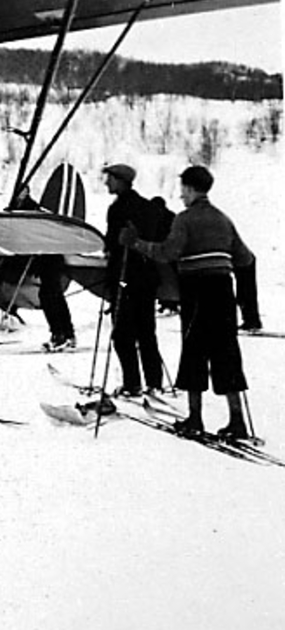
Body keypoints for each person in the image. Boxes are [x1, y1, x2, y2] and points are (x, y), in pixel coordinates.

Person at [120, 165, 254, 439]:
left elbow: (168, 252)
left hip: (196, 291)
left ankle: (194, 419)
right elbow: (245, 258)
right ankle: (237, 421)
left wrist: (136, 243)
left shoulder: (185, 219)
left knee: (195, 350)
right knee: (226, 352)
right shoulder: (223, 219)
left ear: (191, 189)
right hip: (223, 291)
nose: (181, 195)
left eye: (183, 189)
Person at [102, 163, 164, 395]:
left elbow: (112, 244)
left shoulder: (118, 209)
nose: (107, 183)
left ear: (120, 181)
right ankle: (154, 382)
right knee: (146, 331)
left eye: (110, 179)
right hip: (147, 277)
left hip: (125, 278)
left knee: (122, 333)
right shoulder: (148, 207)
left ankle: (132, 383)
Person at [12, 185, 76, 351]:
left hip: (50, 259)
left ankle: (62, 334)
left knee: (51, 295)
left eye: (21, 193)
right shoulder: (19, 210)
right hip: (43, 260)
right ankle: (63, 334)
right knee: (50, 295)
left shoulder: (33, 211)